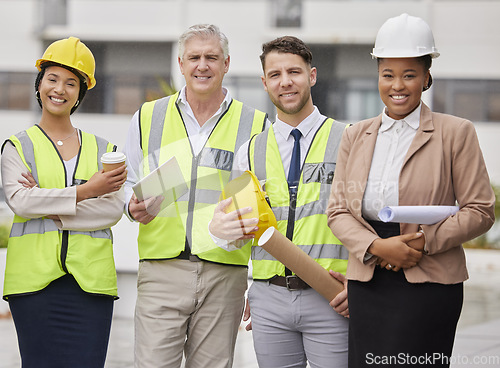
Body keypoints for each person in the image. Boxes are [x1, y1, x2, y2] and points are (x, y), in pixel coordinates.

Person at [326, 13, 496, 368]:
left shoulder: (456, 133)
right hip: (369, 277)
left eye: (409, 75)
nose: (397, 85)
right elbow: (338, 210)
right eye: (388, 75)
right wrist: (376, 246)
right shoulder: (355, 135)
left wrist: (424, 242)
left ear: (426, 77)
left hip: (429, 282)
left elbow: (480, 210)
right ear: (377, 76)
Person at [123, 24, 267, 368]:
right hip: (161, 271)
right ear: (181, 63)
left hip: (225, 275)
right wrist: (131, 206)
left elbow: (265, 210)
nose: (203, 65)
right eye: (195, 58)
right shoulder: (147, 117)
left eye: (211, 57)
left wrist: (258, 284)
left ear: (227, 63)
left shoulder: (257, 125)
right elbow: (127, 183)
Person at [210, 36, 349, 368]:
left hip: (331, 295)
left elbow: (368, 222)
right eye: (275, 75)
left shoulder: (349, 139)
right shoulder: (250, 150)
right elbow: (238, 231)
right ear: (265, 82)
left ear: (311, 76)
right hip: (268, 299)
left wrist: (364, 286)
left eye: (294, 72)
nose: (285, 82)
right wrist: (218, 230)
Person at [1, 37, 127, 367]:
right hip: (33, 284)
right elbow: (20, 201)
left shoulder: (105, 149)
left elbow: (113, 208)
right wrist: (88, 190)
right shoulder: (17, 146)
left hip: (91, 284)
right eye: (53, 79)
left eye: (72, 83)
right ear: (39, 84)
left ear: (81, 94)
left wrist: (51, 206)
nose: (60, 89)